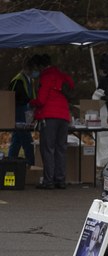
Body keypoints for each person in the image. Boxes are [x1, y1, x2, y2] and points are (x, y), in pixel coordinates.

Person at [30, 54, 75, 190]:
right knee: (61, 149)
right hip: (64, 116)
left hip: (49, 117)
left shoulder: (46, 77)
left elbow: (42, 100)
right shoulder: (61, 75)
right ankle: (60, 180)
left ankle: (48, 181)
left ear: (40, 66)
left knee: (48, 149)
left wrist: (31, 102)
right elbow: (71, 86)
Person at [7, 55, 41, 166]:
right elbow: (14, 98)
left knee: (16, 141)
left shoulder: (30, 80)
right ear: (28, 68)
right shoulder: (18, 80)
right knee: (27, 141)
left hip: (26, 112)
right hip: (19, 112)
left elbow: (32, 96)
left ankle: (10, 164)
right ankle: (31, 164)